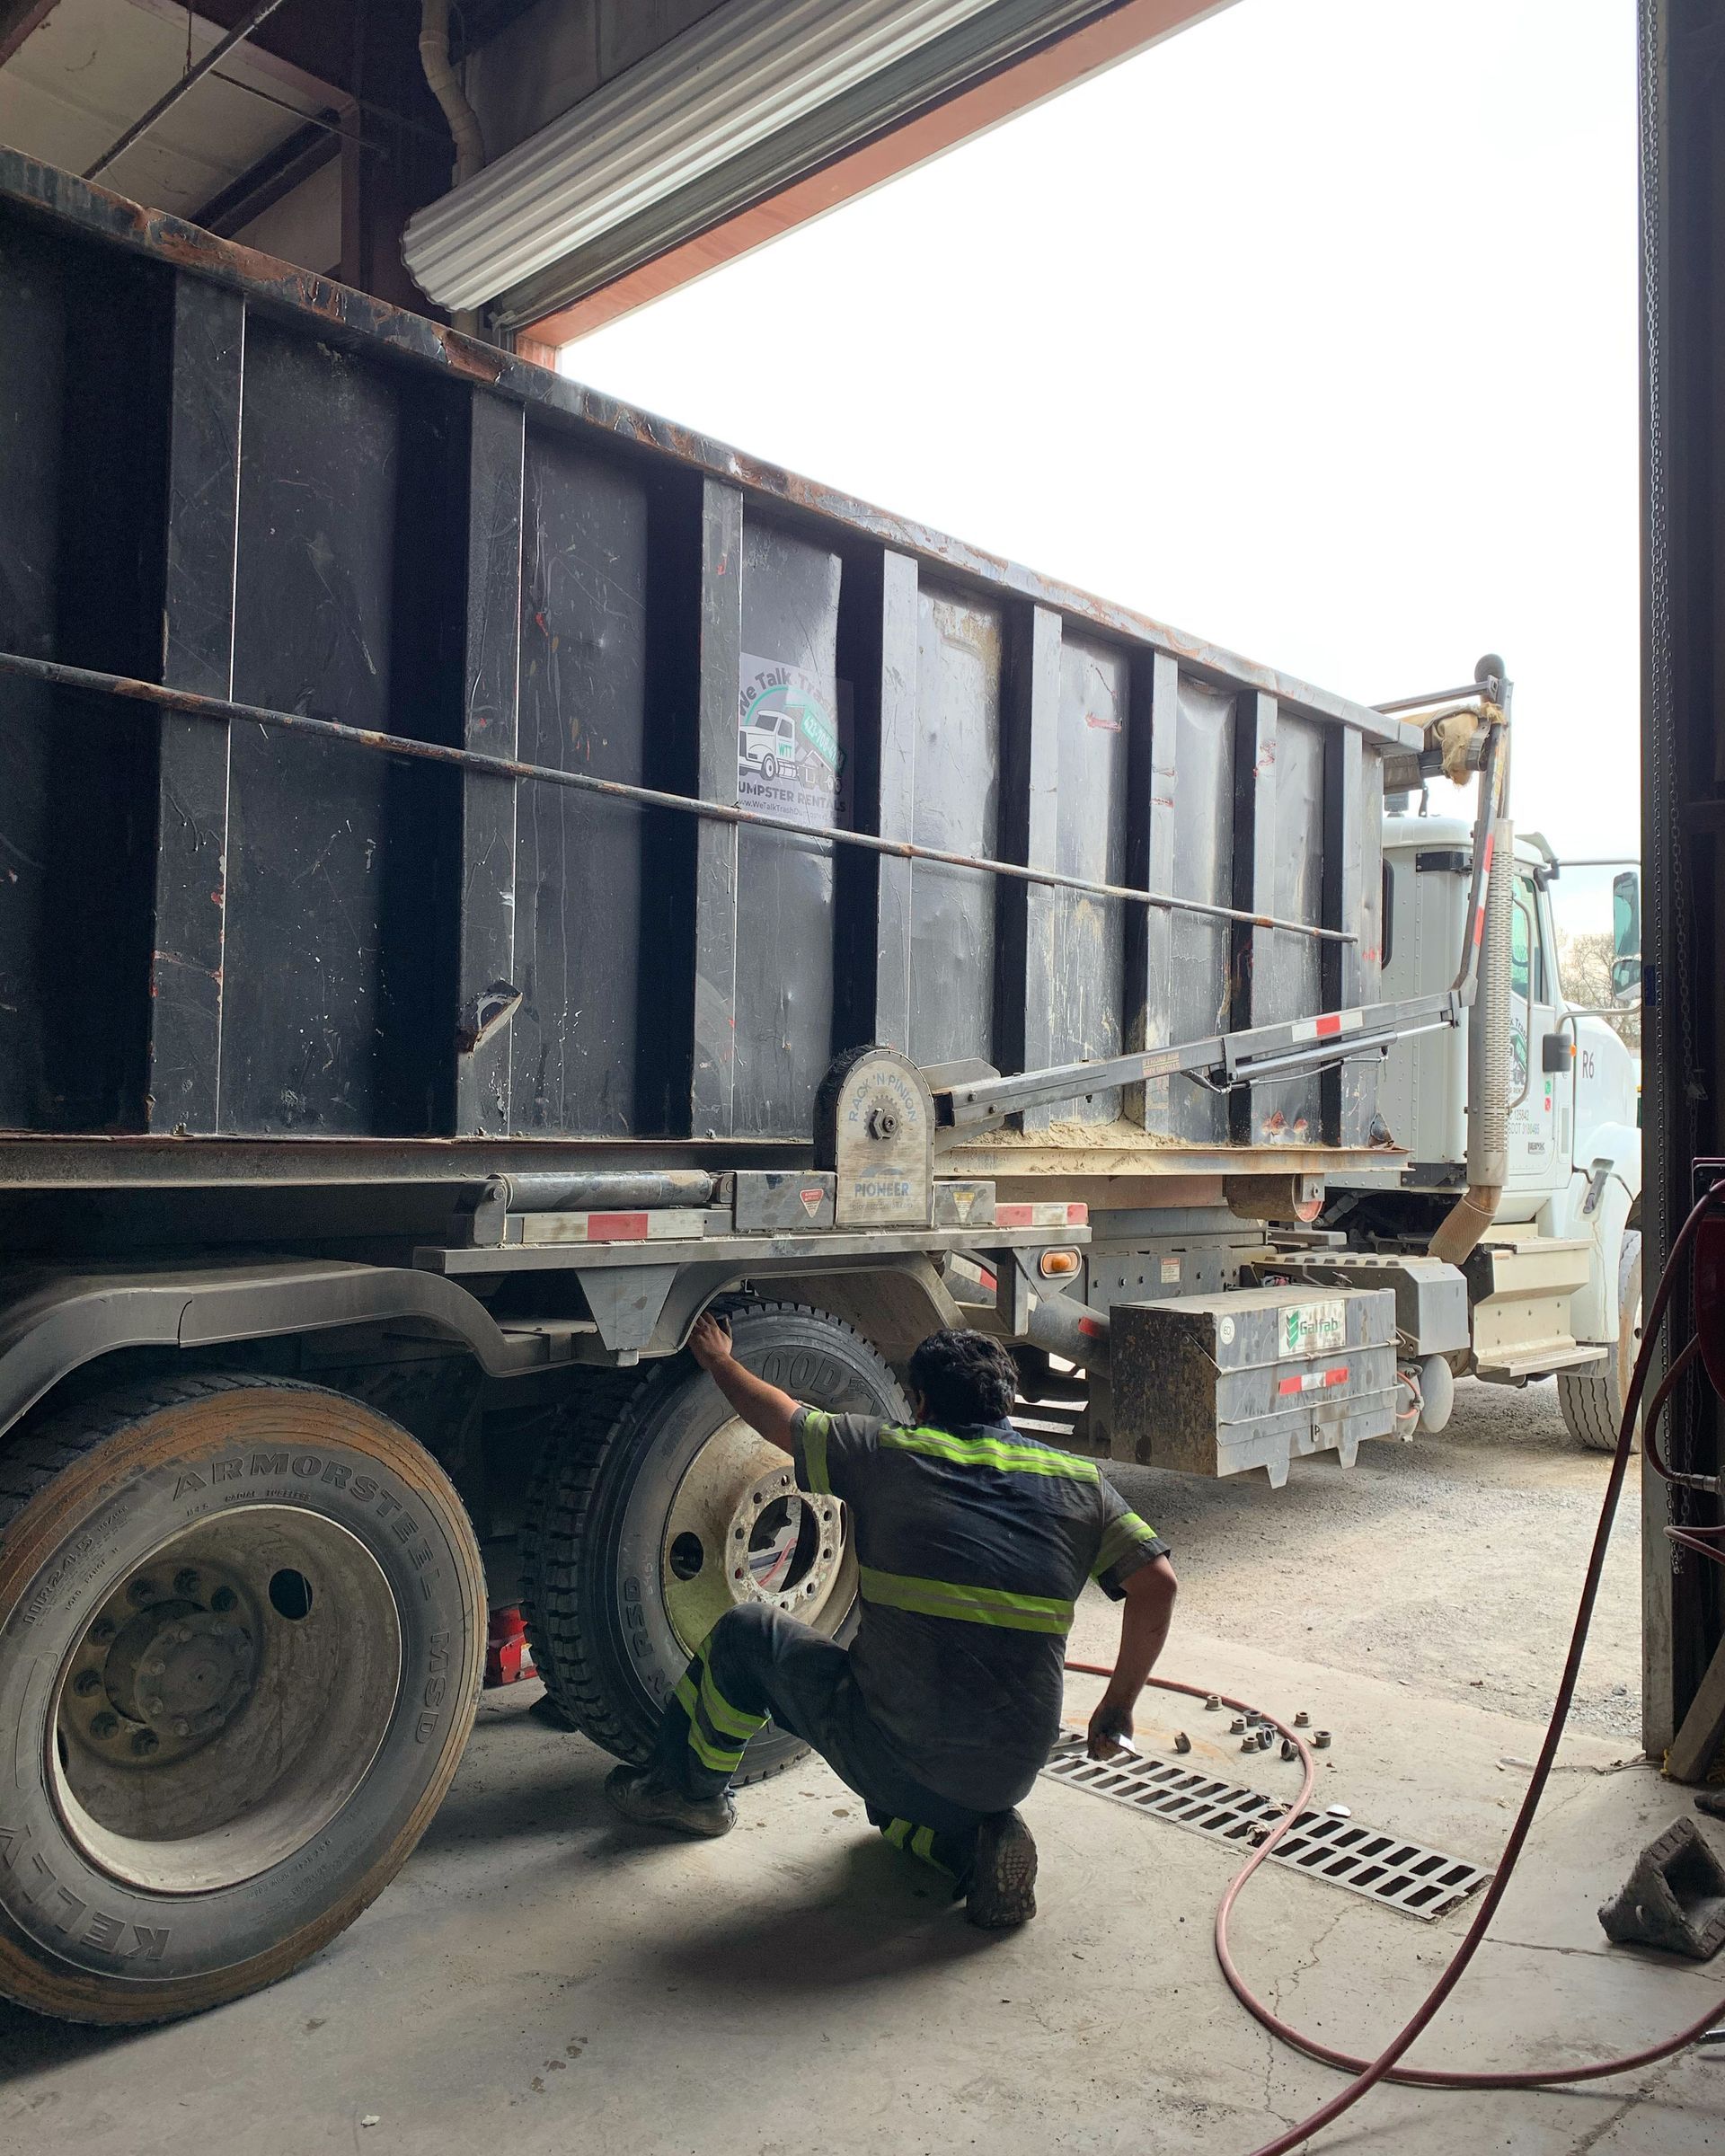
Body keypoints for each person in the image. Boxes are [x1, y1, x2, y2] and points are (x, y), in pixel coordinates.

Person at [605, 1316, 1178, 1929]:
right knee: (895, 1811)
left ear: (922, 1401)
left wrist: (720, 1360)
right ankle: (976, 1845)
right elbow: (1158, 1584)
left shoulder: (886, 1452)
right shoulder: (1080, 1483)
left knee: (747, 1635)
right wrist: (1117, 1706)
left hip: (897, 1752)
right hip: (1011, 1768)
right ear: (1005, 1402)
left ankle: (687, 1794)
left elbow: (779, 1416)